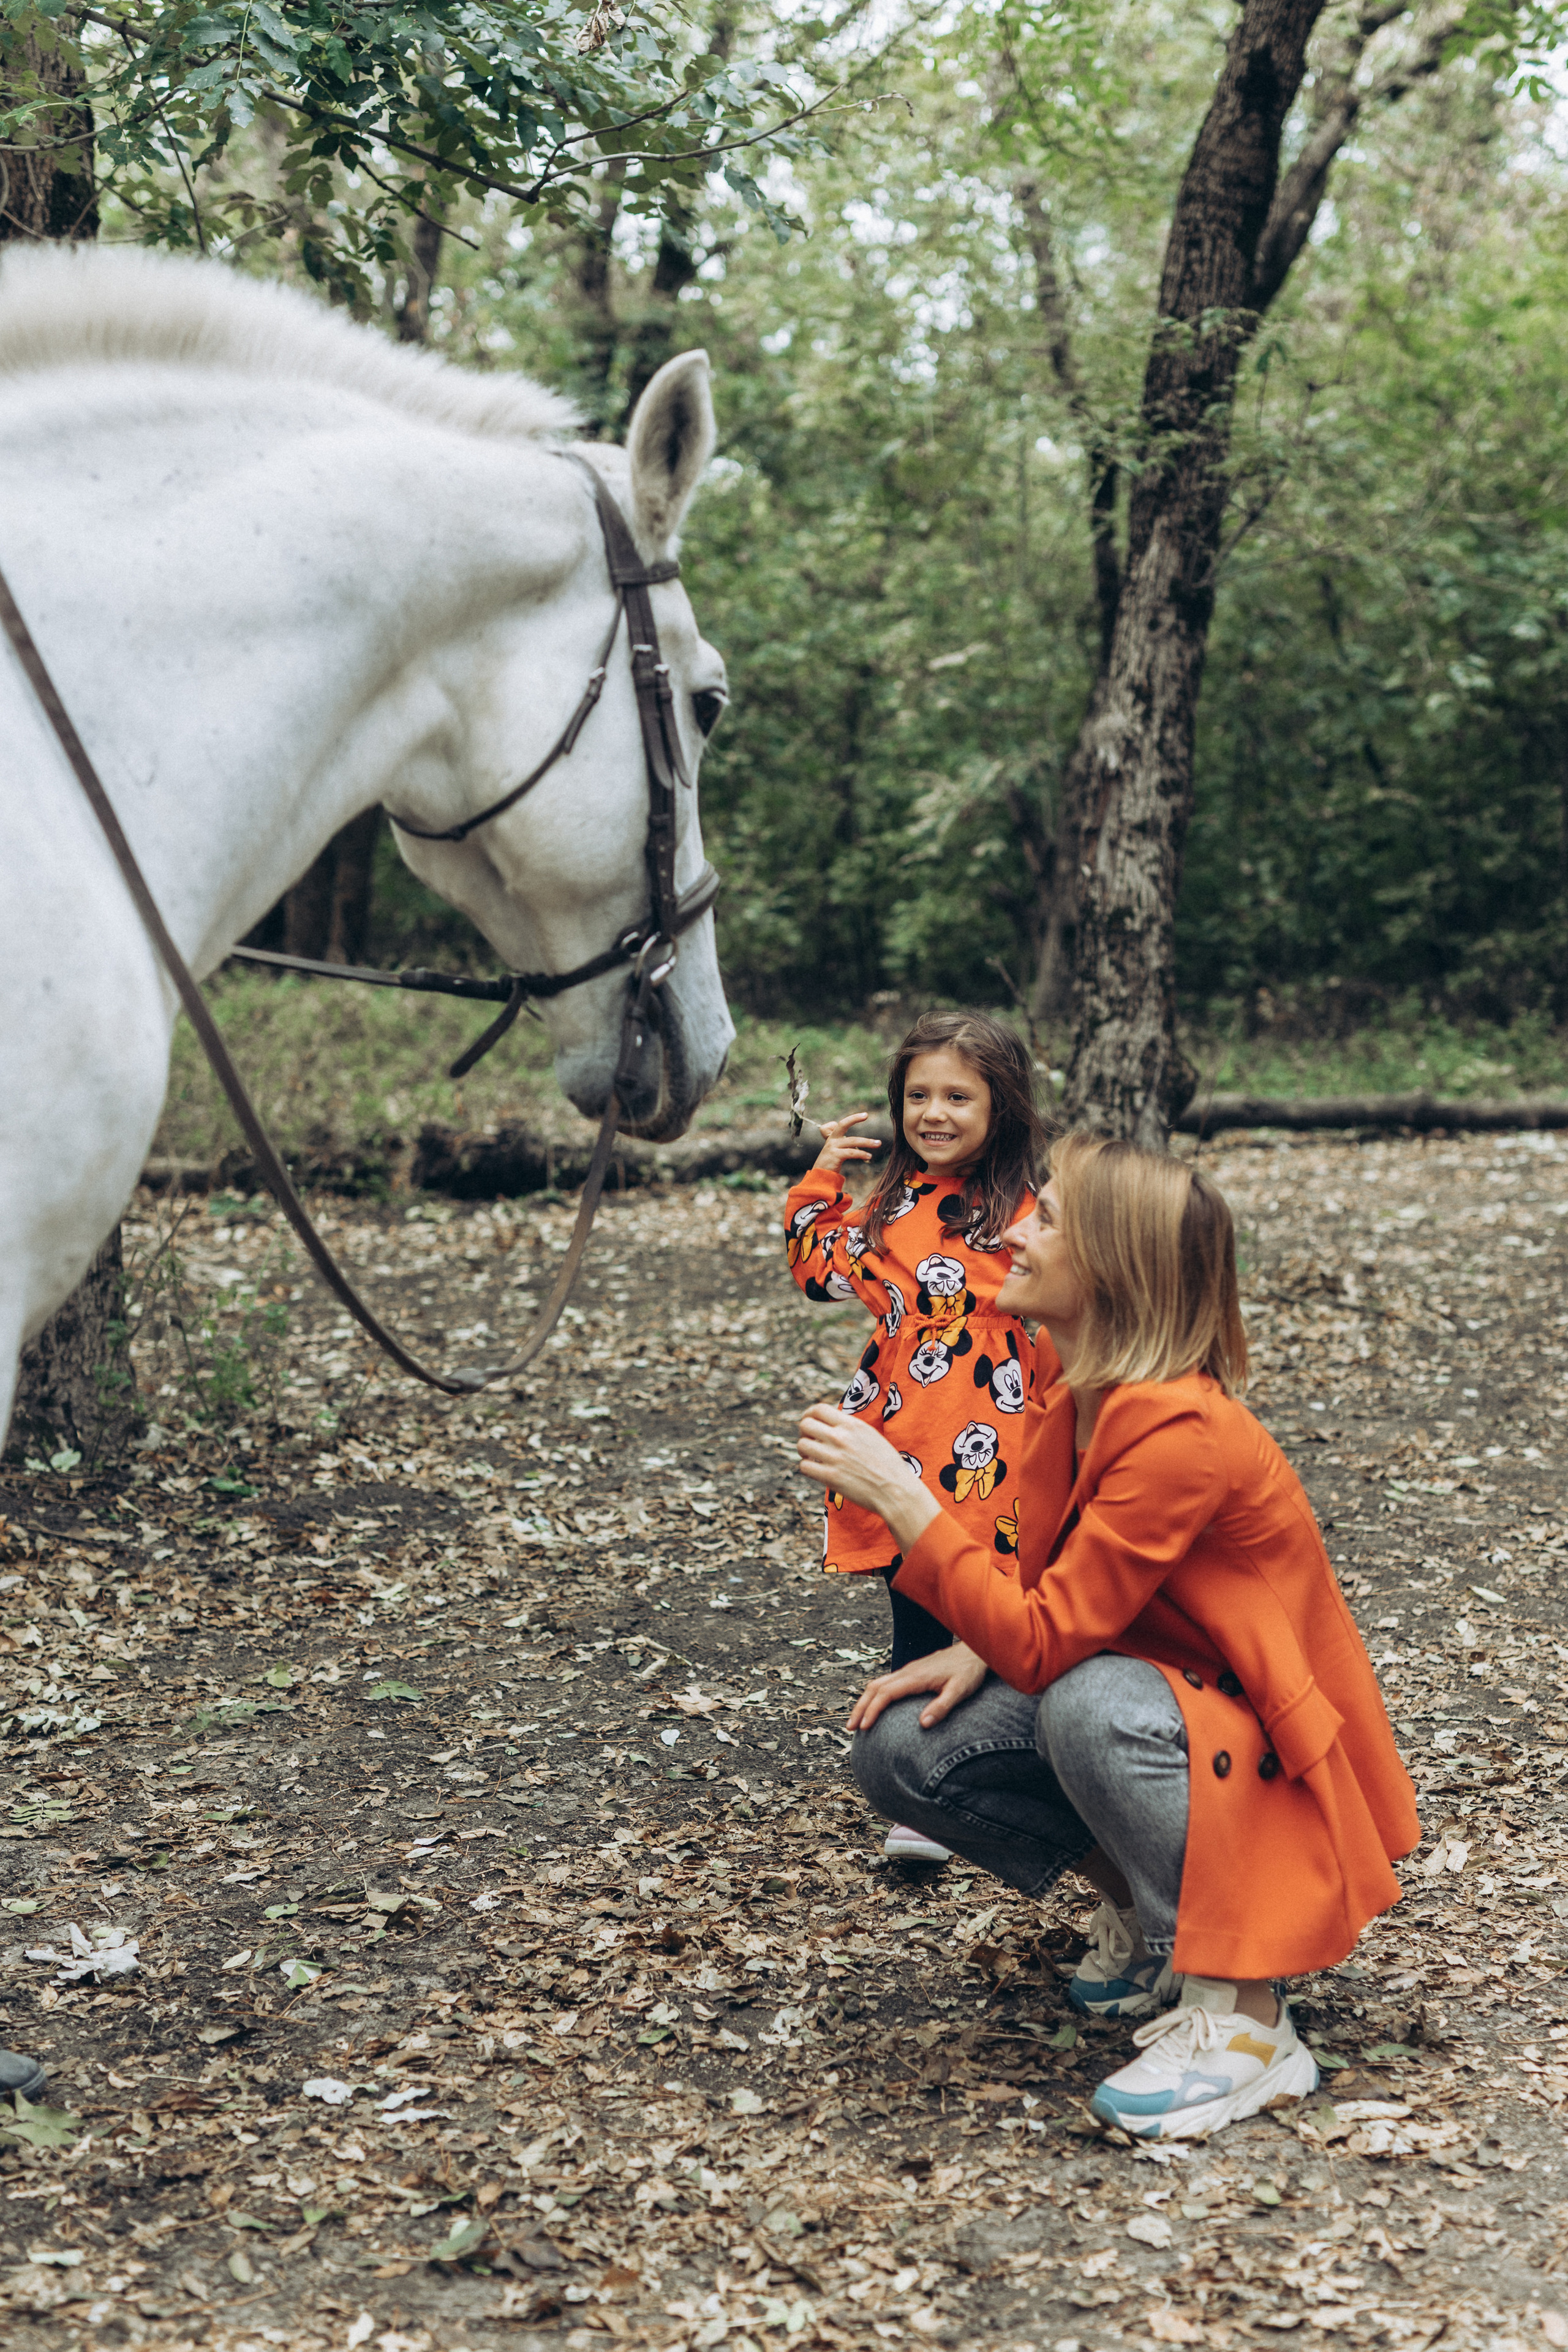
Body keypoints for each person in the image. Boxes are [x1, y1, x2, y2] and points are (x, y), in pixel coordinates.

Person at [796, 1132, 1419, 2141]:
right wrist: (979, 1637)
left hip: (1270, 1758)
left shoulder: (1178, 1432)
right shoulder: (1073, 1388)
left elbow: (1050, 1647)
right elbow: (1047, 1592)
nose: (1017, 1229)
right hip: (1173, 1698)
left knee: (1087, 1705)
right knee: (906, 1748)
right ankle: (1153, 1921)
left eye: (1047, 1221)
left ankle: (1249, 2018)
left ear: (1112, 1268)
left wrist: (901, 1496)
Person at [783, 1011, 1047, 1864]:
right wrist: (821, 1178)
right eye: (918, 1095)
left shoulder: (1030, 1215)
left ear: (1001, 1106)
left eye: (958, 1096)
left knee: (987, 1604)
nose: (934, 1112)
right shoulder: (889, 1204)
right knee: (915, 1606)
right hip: (898, 1442)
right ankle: (926, 1791)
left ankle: (991, 1771)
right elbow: (818, 1267)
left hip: (998, 1445)